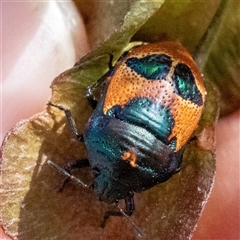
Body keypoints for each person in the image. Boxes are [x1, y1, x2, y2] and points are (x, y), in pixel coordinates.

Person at [1, 2, 239, 239]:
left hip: (167, 89)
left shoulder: (157, 172)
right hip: (150, 78)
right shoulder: (102, 144)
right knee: (88, 97)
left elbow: (173, 165)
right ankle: (112, 70)